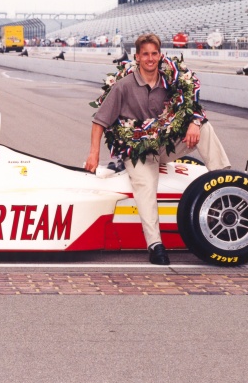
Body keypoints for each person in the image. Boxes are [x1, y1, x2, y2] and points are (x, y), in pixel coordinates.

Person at [85, 33, 230, 265]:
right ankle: (155, 244)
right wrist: (93, 154)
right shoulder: (124, 86)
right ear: (137, 57)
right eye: (145, 54)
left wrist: (194, 122)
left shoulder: (172, 80)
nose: (150, 59)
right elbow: (99, 121)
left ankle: (226, 182)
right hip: (138, 152)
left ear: (160, 56)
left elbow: (194, 105)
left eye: (154, 54)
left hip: (165, 145)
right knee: (145, 188)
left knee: (204, 127)